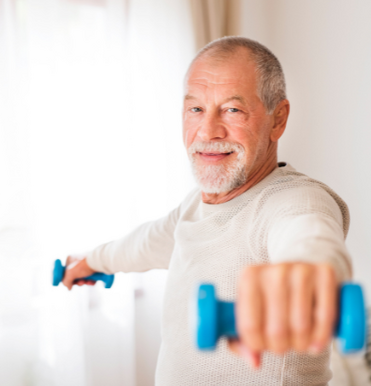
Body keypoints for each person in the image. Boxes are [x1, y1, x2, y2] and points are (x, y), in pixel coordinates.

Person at [62, 36, 351, 385]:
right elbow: (144, 243)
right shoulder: (194, 206)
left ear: (278, 120)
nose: (208, 130)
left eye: (232, 109)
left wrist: (302, 281)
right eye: (196, 109)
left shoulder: (294, 200)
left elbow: (310, 237)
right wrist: (92, 261)